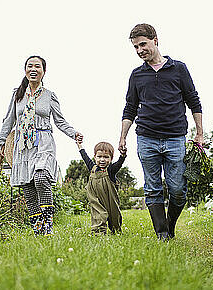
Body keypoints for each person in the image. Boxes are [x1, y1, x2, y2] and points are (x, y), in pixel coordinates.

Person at [119, 24, 204, 240]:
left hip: (175, 137)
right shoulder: (137, 75)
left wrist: (200, 133)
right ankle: (162, 234)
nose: (140, 51)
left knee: (177, 189)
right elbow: (130, 107)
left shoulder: (178, 69)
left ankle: (170, 225)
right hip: (146, 137)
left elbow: (193, 100)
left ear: (155, 40)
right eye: (136, 47)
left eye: (143, 44)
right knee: (152, 188)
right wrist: (123, 136)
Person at [0, 55, 83, 236]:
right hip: (23, 146)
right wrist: (0, 143)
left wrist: (73, 133)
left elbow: (60, 121)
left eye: (38, 66)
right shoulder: (17, 95)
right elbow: (8, 121)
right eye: (30, 66)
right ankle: (38, 230)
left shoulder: (49, 96)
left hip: (43, 142)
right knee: (27, 186)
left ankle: (48, 225)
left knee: (41, 177)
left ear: (44, 71)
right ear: (25, 70)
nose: (33, 69)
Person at [76, 140, 126, 235]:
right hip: (96, 198)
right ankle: (98, 233)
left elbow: (119, 164)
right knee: (99, 214)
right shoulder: (92, 168)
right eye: (99, 156)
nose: (102, 160)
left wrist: (122, 156)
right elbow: (85, 157)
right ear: (95, 157)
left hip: (110, 199)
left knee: (114, 216)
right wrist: (80, 146)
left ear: (111, 159)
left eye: (106, 157)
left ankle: (116, 231)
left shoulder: (111, 170)